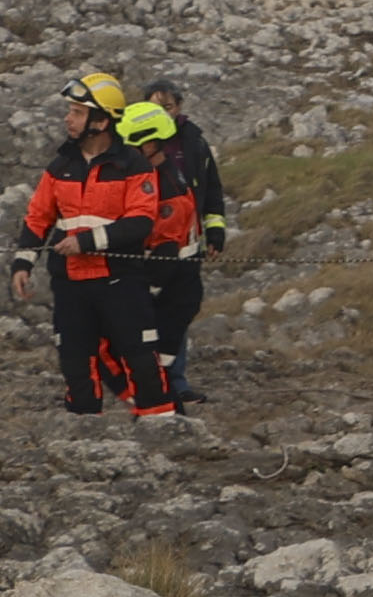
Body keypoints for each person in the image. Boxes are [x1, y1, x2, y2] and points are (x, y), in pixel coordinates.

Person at [14, 73, 176, 420]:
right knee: (75, 360)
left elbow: (140, 221)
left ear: (101, 121)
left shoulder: (133, 165)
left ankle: (162, 428)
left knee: (140, 355)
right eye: (69, 111)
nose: (67, 119)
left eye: (76, 112)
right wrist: (22, 264)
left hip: (121, 281)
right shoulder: (60, 166)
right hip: (70, 284)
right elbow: (37, 217)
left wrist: (85, 242)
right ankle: (85, 432)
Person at [114, 99, 211, 407]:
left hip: (171, 284)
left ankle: (167, 412)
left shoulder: (165, 188)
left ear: (149, 144)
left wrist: (147, 291)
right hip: (175, 281)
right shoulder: (162, 175)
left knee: (160, 359)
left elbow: (165, 247)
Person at [137, 78, 224, 401]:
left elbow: (211, 188)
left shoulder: (194, 141)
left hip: (187, 246)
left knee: (179, 314)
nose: (163, 113)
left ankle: (176, 382)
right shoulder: (131, 141)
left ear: (179, 108)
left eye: (168, 107)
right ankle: (143, 381)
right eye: (155, 107)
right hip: (144, 249)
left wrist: (215, 230)